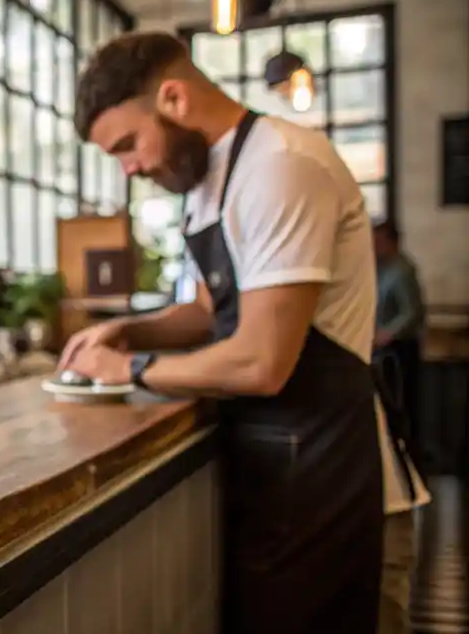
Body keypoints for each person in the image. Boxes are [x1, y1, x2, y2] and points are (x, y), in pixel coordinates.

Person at [59, 31, 422, 633]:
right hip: (279, 474)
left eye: (127, 145)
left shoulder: (280, 164)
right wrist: (129, 330)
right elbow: (208, 311)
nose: (131, 168)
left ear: (173, 98)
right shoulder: (210, 182)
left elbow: (261, 362)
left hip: (338, 479)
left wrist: (131, 370)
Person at [372, 219, 430, 634]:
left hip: (400, 356)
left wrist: (386, 336)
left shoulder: (402, 270)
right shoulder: (378, 270)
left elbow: (412, 314)